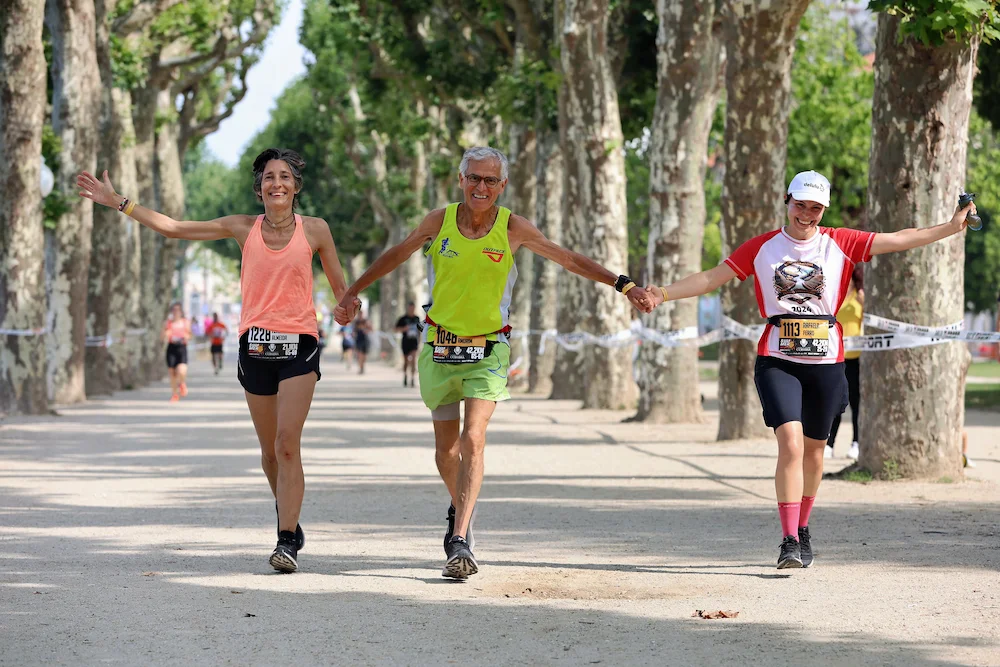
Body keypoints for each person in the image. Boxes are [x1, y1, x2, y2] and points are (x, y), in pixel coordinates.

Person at [334, 146, 649, 579]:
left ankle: (460, 538)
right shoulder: (438, 222)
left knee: (473, 439)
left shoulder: (513, 227)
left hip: (488, 350)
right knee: (446, 452)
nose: (481, 187)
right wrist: (353, 291)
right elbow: (398, 253)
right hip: (439, 347)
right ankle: (459, 508)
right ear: (461, 180)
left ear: (502, 186)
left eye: (491, 181)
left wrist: (623, 283)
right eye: (474, 179)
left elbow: (567, 258)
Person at [641, 170, 976, 570]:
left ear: (824, 209)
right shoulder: (762, 246)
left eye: (815, 207)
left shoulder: (842, 241)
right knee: (792, 446)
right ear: (787, 200)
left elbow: (901, 238)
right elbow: (713, 277)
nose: (807, 214)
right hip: (778, 361)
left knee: (816, 455)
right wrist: (661, 293)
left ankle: (803, 529)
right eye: (801, 205)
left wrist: (950, 228)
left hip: (826, 362)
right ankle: (787, 541)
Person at [77, 147, 359, 573]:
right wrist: (119, 201)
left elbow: (340, 287)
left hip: (299, 344)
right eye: (268, 177)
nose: (276, 183)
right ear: (259, 188)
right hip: (255, 347)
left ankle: (286, 541)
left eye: (284, 177)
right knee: (268, 453)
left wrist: (346, 307)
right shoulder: (241, 228)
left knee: (287, 445)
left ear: (296, 187)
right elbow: (174, 228)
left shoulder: (316, 230)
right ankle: (290, 517)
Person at [826, 265, 863, 461]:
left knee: (856, 403)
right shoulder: (833, 294)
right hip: (835, 356)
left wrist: (865, 305)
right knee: (835, 403)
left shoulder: (860, 295)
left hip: (857, 357)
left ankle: (856, 442)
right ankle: (829, 444)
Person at [162, 303, 192, 402]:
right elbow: (163, 336)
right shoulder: (168, 323)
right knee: (172, 373)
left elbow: (190, 335)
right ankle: (175, 394)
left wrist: (184, 338)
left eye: (178, 310)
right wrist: (167, 334)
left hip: (182, 347)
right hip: (171, 348)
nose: (176, 312)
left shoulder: (185, 322)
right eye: (174, 310)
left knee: (181, 370)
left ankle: (182, 383)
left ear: (181, 311)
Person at [396, 302, 422, 386]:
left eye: (413, 308)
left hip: (414, 342)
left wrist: (420, 340)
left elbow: (419, 330)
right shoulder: (403, 318)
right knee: (406, 361)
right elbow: (396, 328)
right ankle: (405, 376)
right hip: (405, 342)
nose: (411, 310)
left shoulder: (417, 318)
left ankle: (412, 378)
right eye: (410, 308)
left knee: (414, 360)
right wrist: (404, 329)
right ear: (408, 308)